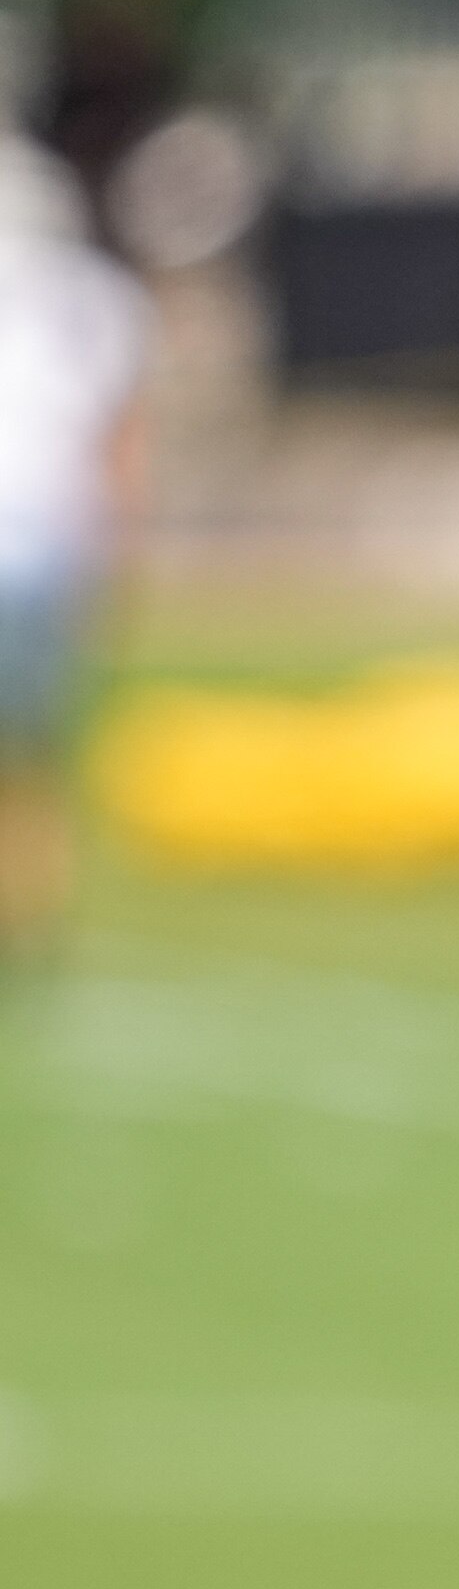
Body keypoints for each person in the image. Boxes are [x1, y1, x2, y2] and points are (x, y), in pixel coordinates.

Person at [0, 139, 151, 968]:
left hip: (33, 532)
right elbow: (120, 449)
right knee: (37, 752)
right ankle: (34, 917)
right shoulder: (99, 299)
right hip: (51, 541)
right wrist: (117, 560)